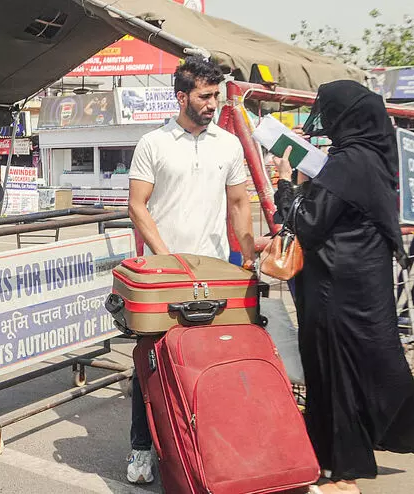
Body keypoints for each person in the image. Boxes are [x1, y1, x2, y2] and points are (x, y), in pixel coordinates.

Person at [271, 80, 414, 494]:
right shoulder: (371, 158)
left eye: (330, 113)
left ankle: (344, 474)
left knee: (334, 375)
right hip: (360, 287)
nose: (327, 121)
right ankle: (327, 461)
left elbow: (307, 223)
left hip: (335, 291)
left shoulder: (348, 162)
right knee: (345, 372)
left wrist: (286, 182)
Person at [126, 56, 257, 484]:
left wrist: (249, 254)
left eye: (216, 95)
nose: (212, 103)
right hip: (165, 274)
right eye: (204, 95)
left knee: (211, 358)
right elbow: (137, 206)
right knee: (151, 360)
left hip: (216, 272)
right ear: (181, 96)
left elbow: (239, 204)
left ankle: (199, 447)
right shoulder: (153, 143)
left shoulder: (229, 144)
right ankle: (142, 448)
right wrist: (168, 262)